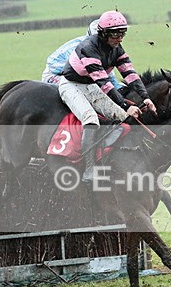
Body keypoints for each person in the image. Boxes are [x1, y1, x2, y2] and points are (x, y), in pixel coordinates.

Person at [49, 10, 156, 182]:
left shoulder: (116, 48)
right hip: (71, 85)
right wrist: (127, 106)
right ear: (103, 33)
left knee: (121, 117)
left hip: (89, 85)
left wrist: (145, 97)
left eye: (123, 33)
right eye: (116, 34)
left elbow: (130, 74)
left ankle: (109, 158)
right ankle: (89, 169)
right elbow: (105, 84)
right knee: (91, 119)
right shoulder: (88, 48)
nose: (120, 38)